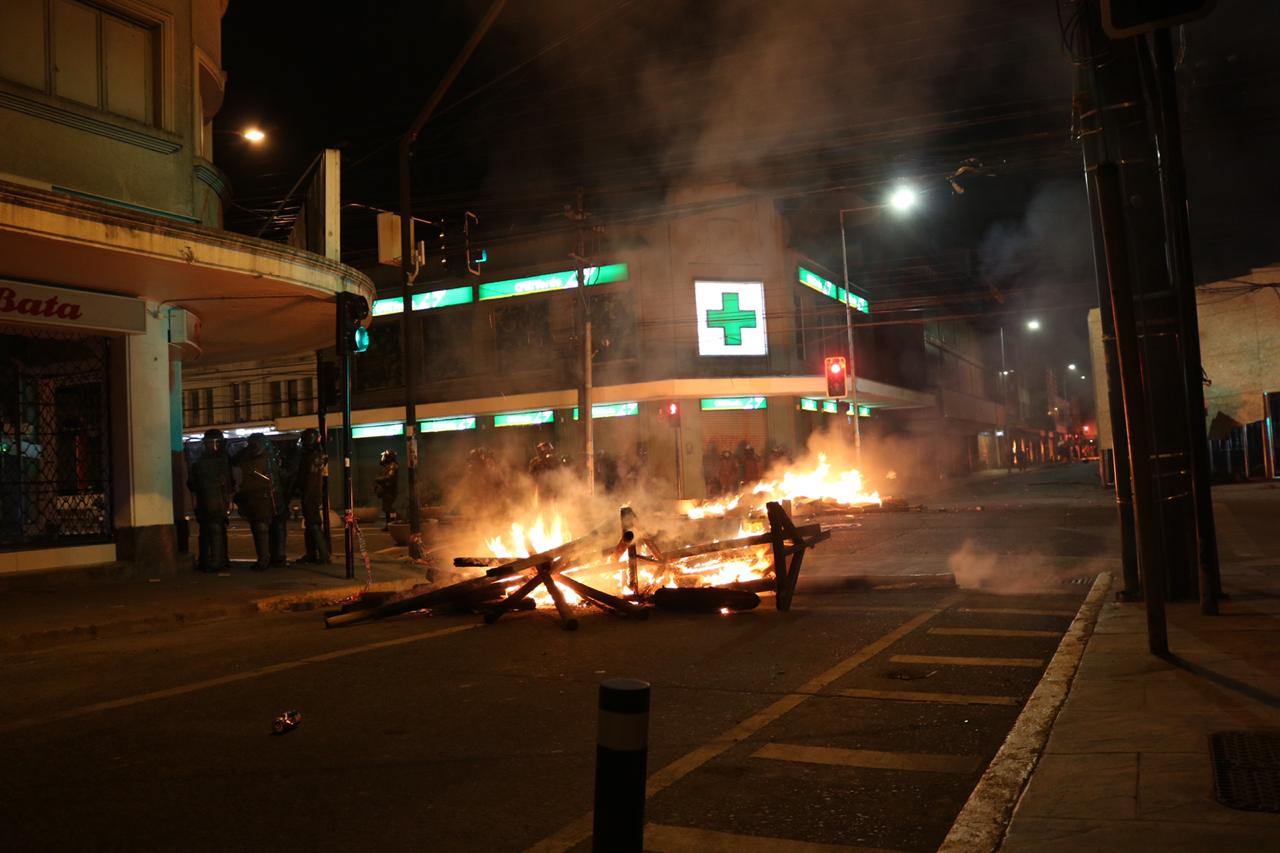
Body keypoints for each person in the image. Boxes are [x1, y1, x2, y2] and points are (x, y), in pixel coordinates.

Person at [187, 429, 230, 572]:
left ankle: (206, 561)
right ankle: (218, 561)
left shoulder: (199, 462)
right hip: (218, 502)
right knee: (217, 530)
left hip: (204, 502)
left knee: (206, 532)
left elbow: (191, 484)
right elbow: (229, 483)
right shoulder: (224, 460)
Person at [233, 434, 275, 570]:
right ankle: (268, 558)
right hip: (259, 497)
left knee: (260, 529)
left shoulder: (248, 458)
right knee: (261, 529)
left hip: (258, 497)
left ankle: (264, 559)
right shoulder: (266, 458)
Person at [294, 428, 330, 564]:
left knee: (313, 523)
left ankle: (323, 555)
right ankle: (311, 554)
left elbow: (309, 478)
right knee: (310, 524)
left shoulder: (313, 457)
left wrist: (305, 494)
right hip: (311, 493)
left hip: (311, 494)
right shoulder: (315, 455)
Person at [265, 436, 294, 567]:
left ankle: (276, 556)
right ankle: (278, 556)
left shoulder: (272, 464)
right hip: (278, 499)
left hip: (276, 500)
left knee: (275, 529)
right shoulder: (276, 463)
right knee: (278, 529)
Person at [374, 449, 400, 530]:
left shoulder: (392, 466)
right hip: (387, 491)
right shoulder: (388, 466)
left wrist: (379, 479)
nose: (382, 458)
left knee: (390, 509)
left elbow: (389, 477)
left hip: (390, 491)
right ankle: (389, 525)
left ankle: (392, 525)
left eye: (384, 456)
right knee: (387, 509)